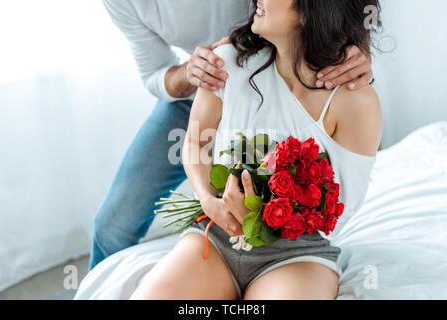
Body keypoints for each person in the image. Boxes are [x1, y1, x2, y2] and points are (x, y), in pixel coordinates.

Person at [89, 0, 375, 271]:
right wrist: (191, 71)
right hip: (206, 84)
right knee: (111, 227)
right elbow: (155, 74)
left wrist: (356, 46)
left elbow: (326, 8)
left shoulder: (349, 101)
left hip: (274, 71)